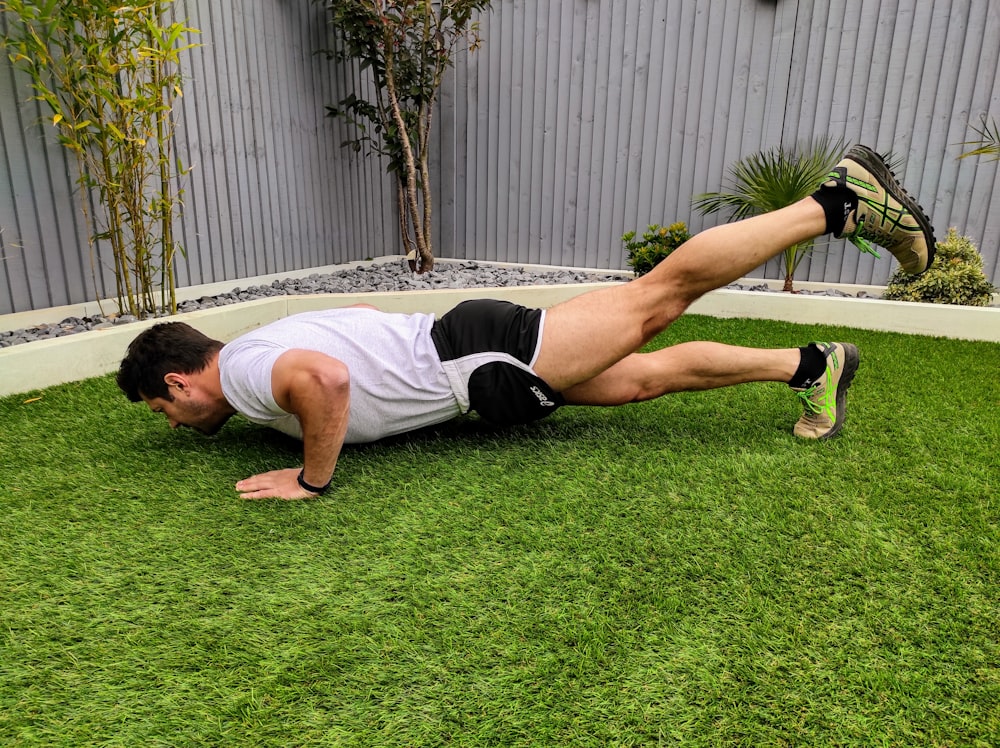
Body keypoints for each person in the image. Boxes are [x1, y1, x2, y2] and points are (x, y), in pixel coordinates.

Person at [117, 145, 935, 500]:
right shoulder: (258, 342)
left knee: (662, 294)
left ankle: (834, 204)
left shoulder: (255, 379)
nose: (178, 421)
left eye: (165, 408)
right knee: (643, 377)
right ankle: (810, 366)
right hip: (477, 360)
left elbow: (325, 380)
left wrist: (310, 478)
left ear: (181, 379)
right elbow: (358, 323)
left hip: (482, 362)